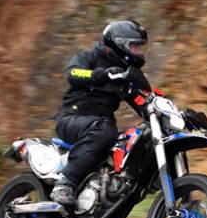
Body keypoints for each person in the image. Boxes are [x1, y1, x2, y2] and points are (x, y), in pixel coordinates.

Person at [50, 20, 149, 207]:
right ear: (120, 44)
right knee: (105, 131)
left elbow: (142, 99)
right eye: (135, 46)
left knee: (135, 141)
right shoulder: (91, 56)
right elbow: (72, 73)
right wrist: (99, 74)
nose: (139, 51)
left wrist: (172, 112)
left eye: (139, 47)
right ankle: (65, 183)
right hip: (73, 118)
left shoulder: (125, 74)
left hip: (101, 125)